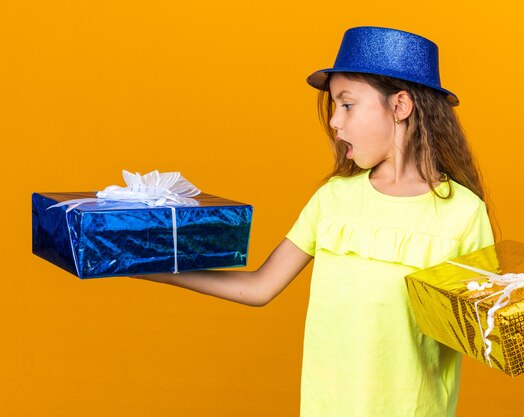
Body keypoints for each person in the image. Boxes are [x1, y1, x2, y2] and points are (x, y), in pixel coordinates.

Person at [135, 26, 494, 417]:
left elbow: (481, 329)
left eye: (348, 105)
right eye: (335, 107)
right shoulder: (333, 200)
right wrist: (142, 263)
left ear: (400, 106)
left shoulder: (463, 213)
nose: (335, 122)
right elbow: (259, 286)